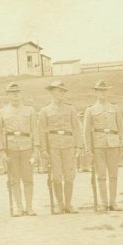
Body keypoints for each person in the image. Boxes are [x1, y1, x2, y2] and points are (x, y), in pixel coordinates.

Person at [0, 82, 40, 216]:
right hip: (11, 148)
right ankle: (19, 207)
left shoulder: (30, 110)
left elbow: (35, 131)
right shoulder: (2, 112)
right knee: (14, 179)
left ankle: (29, 207)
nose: (15, 96)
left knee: (28, 178)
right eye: (12, 93)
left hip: (26, 147)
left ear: (21, 94)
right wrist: (1, 151)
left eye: (17, 93)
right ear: (8, 95)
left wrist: (36, 149)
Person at [38, 80, 83, 214]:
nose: (61, 94)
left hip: (69, 145)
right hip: (53, 147)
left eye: (63, 91)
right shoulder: (45, 111)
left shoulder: (71, 109)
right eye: (58, 91)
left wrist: (79, 147)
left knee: (69, 175)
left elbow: (77, 128)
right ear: (52, 92)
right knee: (56, 176)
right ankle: (59, 204)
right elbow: (42, 131)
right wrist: (44, 149)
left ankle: (68, 204)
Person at [84, 80, 123, 212]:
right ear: (96, 92)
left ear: (108, 92)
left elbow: (122, 128)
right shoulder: (90, 110)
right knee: (101, 175)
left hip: (113, 144)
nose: (103, 93)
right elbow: (86, 131)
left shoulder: (115, 108)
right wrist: (88, 149)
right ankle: (103, 202)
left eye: (105, 90)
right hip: (98, 145)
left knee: (113, 175)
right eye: (100, 91)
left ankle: (113, 202)